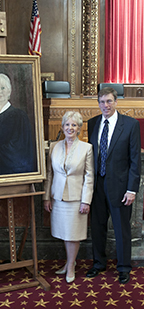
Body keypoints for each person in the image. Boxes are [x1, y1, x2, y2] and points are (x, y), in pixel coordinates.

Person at [86, 87, 141, 284]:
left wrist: (132, 189)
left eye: (109, 101)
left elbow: (135, 160)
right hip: (97, 185)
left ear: (116, 102)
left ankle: (124, 267)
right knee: (97, 227)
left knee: (121, 229)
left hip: (120, 187)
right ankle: (99, 263)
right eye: (102, 102)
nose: (105, 106)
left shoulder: (130, 124)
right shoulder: (93, 123)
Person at [43, 111, 94, 283]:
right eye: (67, 124)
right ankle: (68, 263)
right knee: (65, 233)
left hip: (76, 198)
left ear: (79, 128)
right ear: (62, 127)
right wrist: (46, 197)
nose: (70, 128)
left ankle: (71, 266)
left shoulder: (87, 148)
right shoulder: (54, 147)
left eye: (74, 125)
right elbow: (49, 174)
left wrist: (86, 200)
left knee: (73, 234)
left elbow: (89, 176)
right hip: (58, 197)